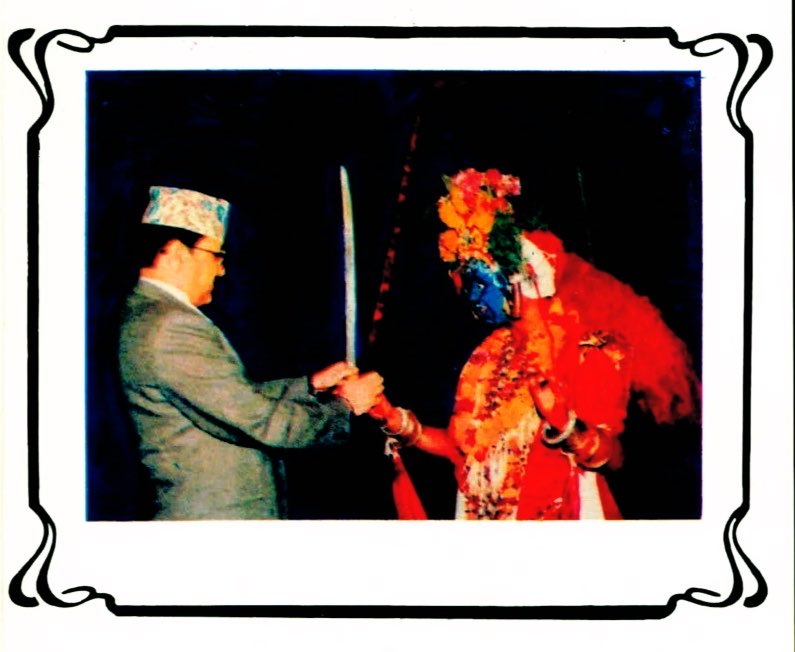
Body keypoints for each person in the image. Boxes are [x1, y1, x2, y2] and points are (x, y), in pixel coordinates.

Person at [368, 168, 700, 520]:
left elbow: (612, 455)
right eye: (466, 274)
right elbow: (462, 450)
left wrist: (562, 421)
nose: (473, 289)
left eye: (484, 271)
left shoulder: (591, 346)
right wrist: (393, 418)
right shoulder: (489, 352)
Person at [118, 185, 383, 520]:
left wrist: (309, 386)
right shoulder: (170, 327)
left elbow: (232, 400)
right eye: (216, 256)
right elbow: (261, 422)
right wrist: (345, 406)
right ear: (176, 252)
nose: (221, 270)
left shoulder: (150, 315)